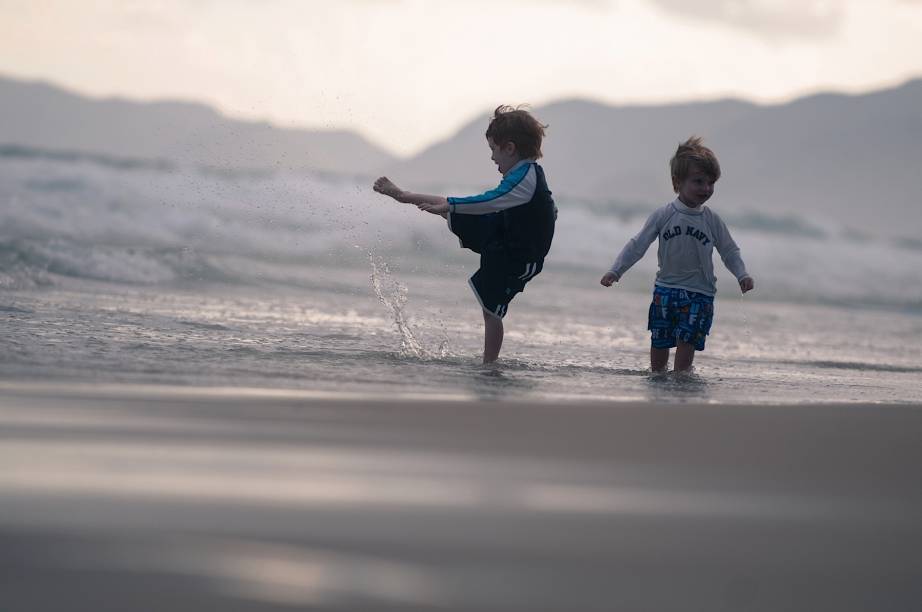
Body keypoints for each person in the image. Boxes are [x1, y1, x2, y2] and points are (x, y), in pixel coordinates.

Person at [373, 105, 556, 363]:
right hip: (504, 229)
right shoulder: (524, 174)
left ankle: (489, 364)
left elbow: (494, 199)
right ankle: (404, 196)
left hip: (520, 253)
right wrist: (452, 207)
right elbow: (543, 205)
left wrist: (452, 206)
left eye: (494, 150)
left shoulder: (526, 177)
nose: (492, 158)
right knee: (458, 210)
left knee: (492, 309)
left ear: (510, 148)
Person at [600, 136, 754, 373]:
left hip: (699, 294)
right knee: (659, 342)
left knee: (686, 348)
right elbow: (637, 244)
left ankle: (682, 383)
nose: (706, 189)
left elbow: (729, 250)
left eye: (711, 183)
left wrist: (741, 274)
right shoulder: (664, 215)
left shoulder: (711, 220)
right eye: (698, 181)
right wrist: (615, 270)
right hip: (665, 290)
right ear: (677, 182)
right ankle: (657, 380)